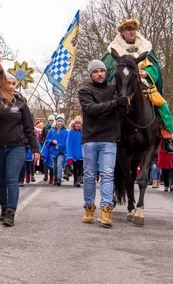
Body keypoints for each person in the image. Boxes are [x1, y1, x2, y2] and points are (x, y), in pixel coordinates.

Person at [100, 18, 173, 154]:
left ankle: (167, 138)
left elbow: (155, 69)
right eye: (128, 29)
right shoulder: (113, 50)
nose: (132, 31)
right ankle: (105, 137)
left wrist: (146, 73)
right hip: (120, 86)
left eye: (134, 29)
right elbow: (106, 70)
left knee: (162, 105)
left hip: (143, 85)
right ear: (121, 32)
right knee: (108, 106)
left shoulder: (146, 48)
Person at [0, 74, 40, 227]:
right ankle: (4, 207)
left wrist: (35, 149)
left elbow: (29, 129)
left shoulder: (21, 104)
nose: (11, 86)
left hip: (16, 147)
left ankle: (11, 212)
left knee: (12, 178)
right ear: (2, 84)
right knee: (0, 180)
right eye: (8, 83)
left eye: (13, 84)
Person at [78, 59, 126, 228]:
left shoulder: (115, 89)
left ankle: (106, 209)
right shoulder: (84, 91)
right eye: (96, 71)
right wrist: (114, 103)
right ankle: (89, 207)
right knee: (90, 175)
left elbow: (124, 105)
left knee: (107, 174)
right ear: (91, 74)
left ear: (106, 72)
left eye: (102, 71)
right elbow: (91, 109)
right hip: (90, 138)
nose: (100, 74)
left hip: (109, 139)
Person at [43, 116, 68, 185]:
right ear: (56, 122)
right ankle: (55, 177)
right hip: (53, 151)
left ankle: (59, 179)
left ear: (63, 122)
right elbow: (47, 140)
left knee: (59, 165)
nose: (60, 123)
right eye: (58, 121)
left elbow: (66, 141)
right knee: (54, 166)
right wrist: (52, 141)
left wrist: (59, 146)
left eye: (61, 121)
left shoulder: (66, 131)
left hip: (61, 151)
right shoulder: (52, 130)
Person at [66, 116, 83, 187]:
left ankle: (79, 178)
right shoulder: (71, 132)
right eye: (76, 123)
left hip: (81, 152)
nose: (78, 125)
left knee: (81, 166)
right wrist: (70, 154)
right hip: (74, 152)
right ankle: (75, 180)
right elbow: (69, 143)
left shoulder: (83, 133)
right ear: (74, 125)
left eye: (79, 123)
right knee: (75, 166)